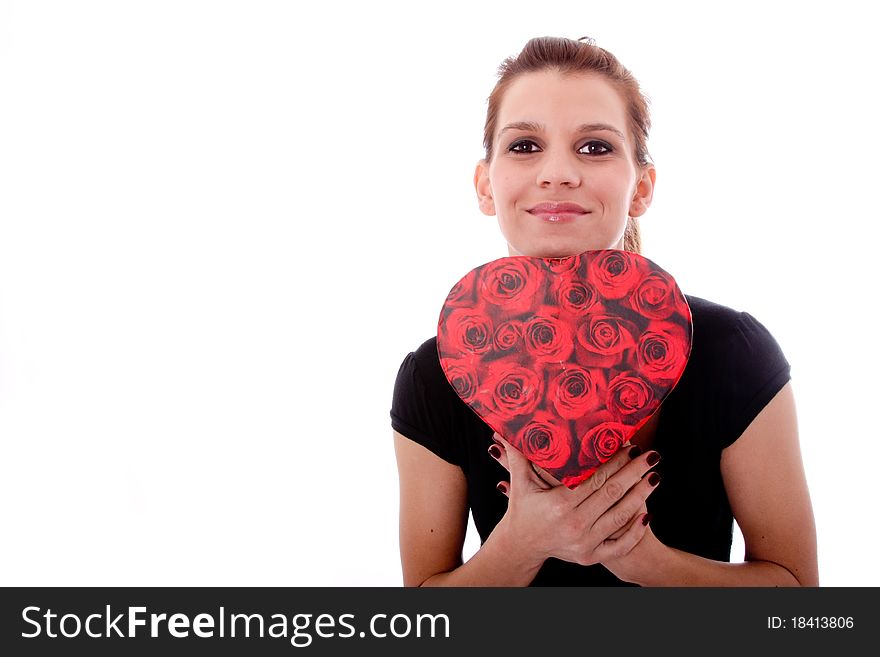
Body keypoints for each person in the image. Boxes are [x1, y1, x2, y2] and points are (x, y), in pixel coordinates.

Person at [390, 36, 818, 586]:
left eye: (595, 147)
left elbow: (805, 604)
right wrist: (520, 544)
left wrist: (642, 559)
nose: (558, 173)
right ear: (485, 185)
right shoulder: (433, 375)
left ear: (642, 187)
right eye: (524, 146)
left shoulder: (734, 352)